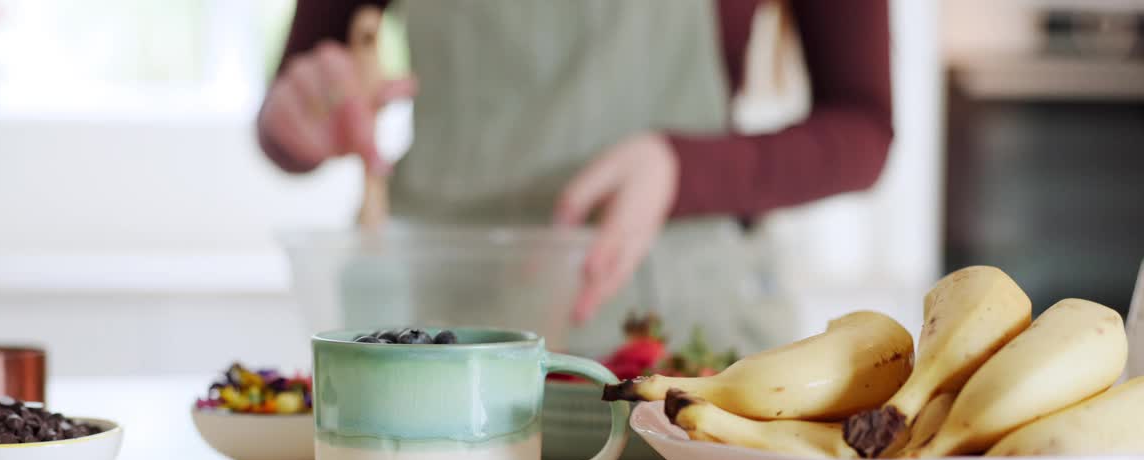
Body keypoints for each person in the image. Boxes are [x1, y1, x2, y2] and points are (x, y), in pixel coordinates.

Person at [258, 0, 893, 354]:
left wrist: (682, 168)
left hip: (683, 338)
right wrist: (302, 114)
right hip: (429, 344)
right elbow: (289, 111)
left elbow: (865, 128)